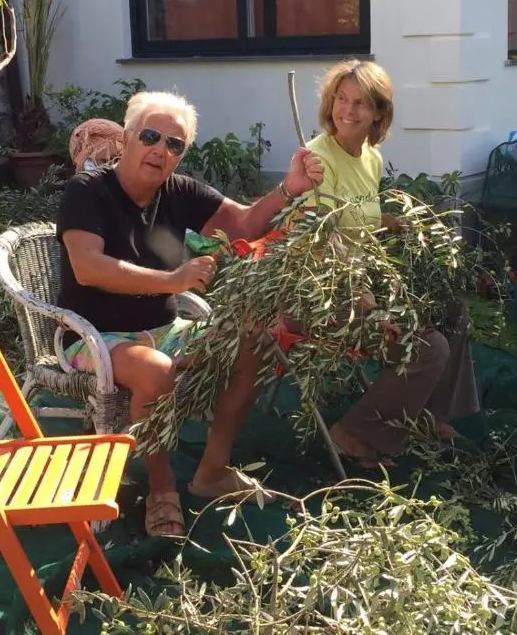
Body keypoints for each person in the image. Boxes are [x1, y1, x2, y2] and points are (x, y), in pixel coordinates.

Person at [56, 89, 324, 536]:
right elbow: (88, 268)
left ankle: (211, 472)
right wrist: (172, 280)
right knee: (156, 372)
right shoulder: (87, 191)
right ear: (127, 137)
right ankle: (162, 489)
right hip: (94, 337)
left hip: (163, 329)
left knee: (255, 339)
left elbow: (241, 223)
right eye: (151, 136)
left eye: (174, 144)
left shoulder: (178, 191)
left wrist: (289, 188)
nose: (160, 150)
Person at [298, 58, 481, 467]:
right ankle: (354, 433)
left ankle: (428, 414)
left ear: (379, 112)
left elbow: (353, 214)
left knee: (452, 307)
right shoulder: (317, 160)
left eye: (360, 103)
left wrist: (391, 221)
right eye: (341, 99)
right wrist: (366, 303)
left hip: (366, 275)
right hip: (326, 289)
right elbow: (320, 239)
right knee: (428, 346)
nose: (347, 110)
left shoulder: (370, 157)